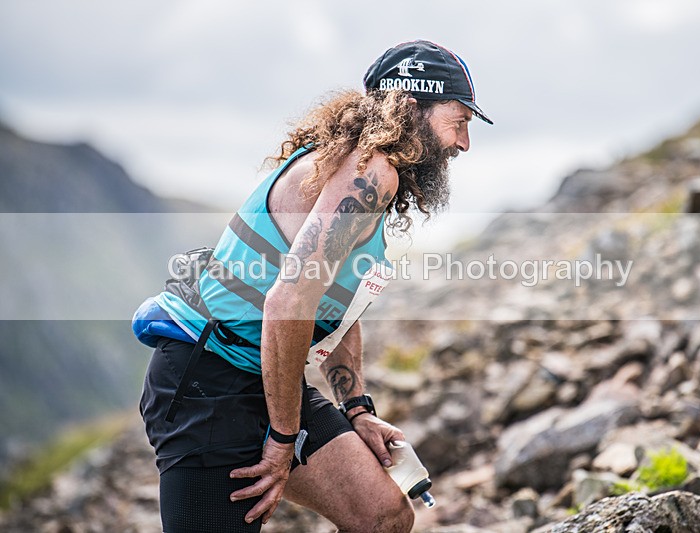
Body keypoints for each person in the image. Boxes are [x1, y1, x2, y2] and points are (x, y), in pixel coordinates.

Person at [132, 39, 492, 532]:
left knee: (383, 516)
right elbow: (289, 301)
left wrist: (357, 409)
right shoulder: (370, 173)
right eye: (459, 121)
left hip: (261, 376)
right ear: (411, 107)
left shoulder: (359, 167)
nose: (463, 143)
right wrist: (283, 439)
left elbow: (333, 305)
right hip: (207, 383)